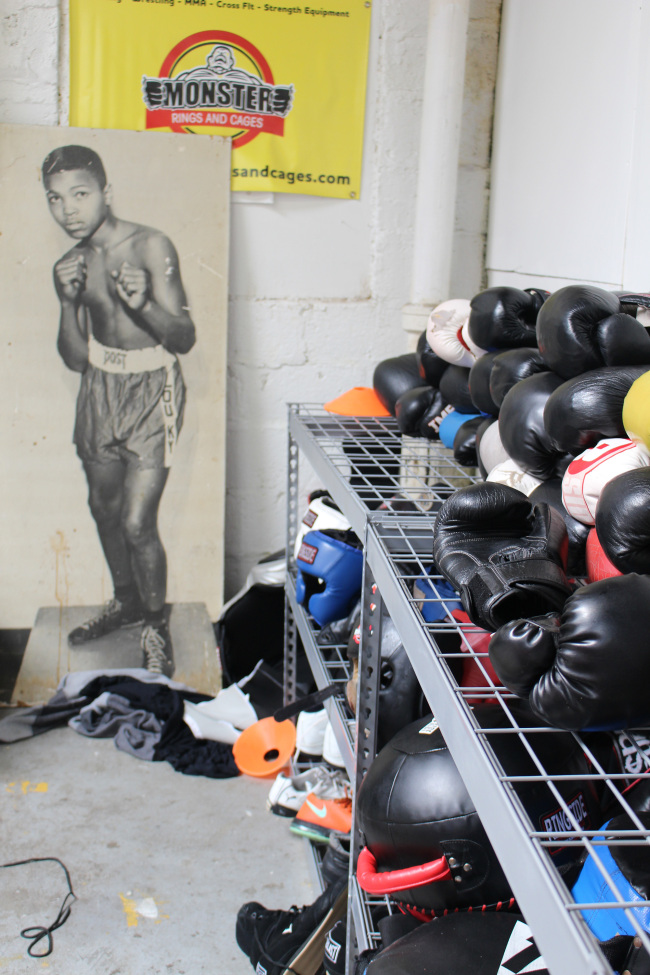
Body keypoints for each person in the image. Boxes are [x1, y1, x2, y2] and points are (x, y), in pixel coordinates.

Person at [42, 144, 196, 677]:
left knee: (136, 522)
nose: (70, 211)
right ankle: (126, 601)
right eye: (56, 199)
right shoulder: (71, 263)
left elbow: (184, 337)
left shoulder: (151, 245)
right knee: (103, 509)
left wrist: (144, 305)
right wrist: (66, 303)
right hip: (99, 389)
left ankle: (155, 623)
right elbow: (74, 358)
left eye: (80, 195)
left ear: (106, 193)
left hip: (154, 389)